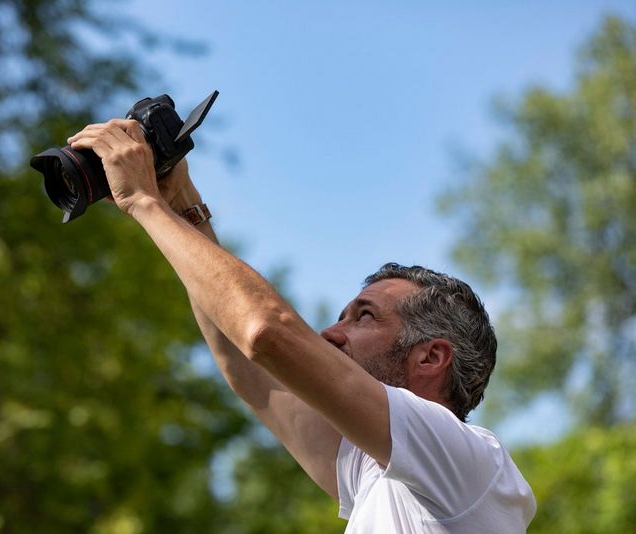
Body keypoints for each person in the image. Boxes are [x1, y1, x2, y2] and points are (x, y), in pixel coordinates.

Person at [66, 119, 537, 533]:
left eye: (364, 316)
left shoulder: (466, 461)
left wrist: (144, 203)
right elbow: (249, 365)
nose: (331, 334)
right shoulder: (377, 472)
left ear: (430, 357)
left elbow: (264, 333)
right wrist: (180, 200)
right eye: (341, 316)